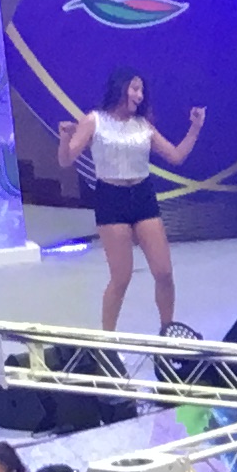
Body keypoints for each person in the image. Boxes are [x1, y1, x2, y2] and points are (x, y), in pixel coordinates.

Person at [59, 68, 204, 335]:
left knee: (164, 272)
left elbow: (175, 156)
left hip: (143, 195)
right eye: (135, 89)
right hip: (110, 197)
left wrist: (195, 128)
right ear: (121, 87)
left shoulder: (143, 125)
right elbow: (66, 159)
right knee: (121, 278)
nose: (139, 95)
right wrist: (65, 138)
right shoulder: (94, 120)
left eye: (142, 91)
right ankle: (108, 340)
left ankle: (167, 331)